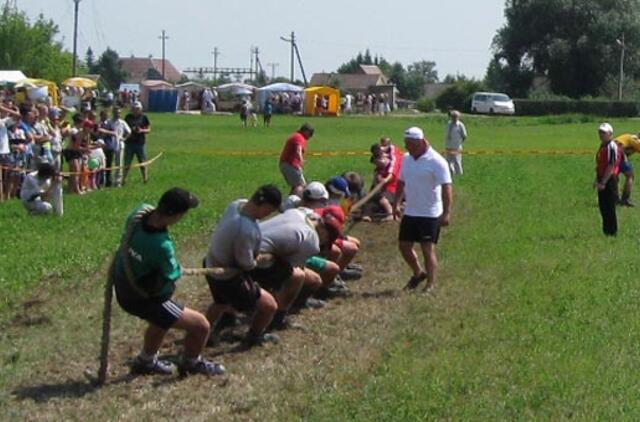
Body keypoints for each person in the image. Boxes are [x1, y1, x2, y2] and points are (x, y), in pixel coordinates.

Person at [112, 187, 225, 376]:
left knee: (162, 320)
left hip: (123, 287)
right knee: (201, 325)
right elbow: (172, 273)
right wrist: (176, 269)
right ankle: (191, 362)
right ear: (176, 215)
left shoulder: (138, 214)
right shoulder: (161, 246)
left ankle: (145, 361)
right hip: (142, 299)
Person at [204, 185, 283, 347]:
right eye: (270, 210)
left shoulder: (237, 204)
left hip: (210, 264)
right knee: (269, 306)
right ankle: (254, 337)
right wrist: (260, 260)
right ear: (265, 206)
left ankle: (203, 332)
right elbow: (246, 265)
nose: (269, 214)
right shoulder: (246, 230)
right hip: (227, 276)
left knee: (220, 302)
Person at [393, 127, 453, 292]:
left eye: (410, 145)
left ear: (421, 142)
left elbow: (447, 187)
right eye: (406, 144)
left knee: (427, 249)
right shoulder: (407, 159)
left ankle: (430, 285)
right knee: (404, 246)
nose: (408, 148)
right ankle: (418, 273)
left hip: (430, 213)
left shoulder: (437, 161)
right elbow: (401, 181)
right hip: (411, 211)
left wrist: (447, 212)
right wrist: (396, 203)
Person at [593, 123, 621, 236]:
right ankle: (606, 230)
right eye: (600, 132)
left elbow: (611, 165)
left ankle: (612, 231)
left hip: (609, 179)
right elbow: (600, 164)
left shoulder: (611, 146)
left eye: (604, 133)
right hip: (602, 177)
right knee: (603, 205)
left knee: (609, 206)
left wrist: (603, 182)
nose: (601, 135)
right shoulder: (602, 146)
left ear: (610, 134)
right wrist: (597, 179)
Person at [279, 123, 314, 196]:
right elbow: (298, 149)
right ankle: (295, 204)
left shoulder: (297, 136)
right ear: (306, 131)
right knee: (301, 186)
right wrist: (301, 160)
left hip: (287, 164)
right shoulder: (299, 137)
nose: (310, 136)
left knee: (295, 186)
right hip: (290, 164)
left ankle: (289, 202)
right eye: (310, 134)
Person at [123, 101, 151, 185]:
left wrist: (141, 130)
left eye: (137, 109)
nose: (136, 110)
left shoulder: (144, 118)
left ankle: (145, 179)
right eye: (134, 109)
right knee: (127, 162)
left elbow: (149, 129)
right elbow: (124, 128)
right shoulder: (128, 117)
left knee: (142, 162)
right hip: (129, 143)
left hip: (140, 143)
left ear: (140, 109)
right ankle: (123, 179)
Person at [613, 132, 640, 206]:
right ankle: (625, 199)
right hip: (619, 155)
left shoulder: (627, 136)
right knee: (630, 176)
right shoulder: (634, 139)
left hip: (611, 155)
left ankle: (615, 199)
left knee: (615, 178)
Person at [444, 110, 467, 175]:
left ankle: (459, 174)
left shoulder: (460, 125)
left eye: (455, 117)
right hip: (448, 146)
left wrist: (460, 143)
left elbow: (464, 135)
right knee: (448, 161)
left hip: (457, 146)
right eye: (452, 117)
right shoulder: (448, 124)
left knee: (457, 161)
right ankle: (451, 172)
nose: (453, 118)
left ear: (458, 117)